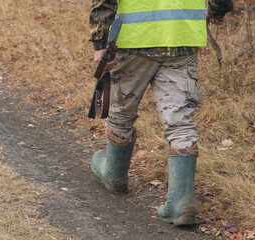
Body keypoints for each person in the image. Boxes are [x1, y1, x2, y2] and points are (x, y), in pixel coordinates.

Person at [88, 0, 233, 226]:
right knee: (180, 120)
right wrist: (216, 10)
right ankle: (182, 201)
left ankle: (114, 173)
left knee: (122, 110)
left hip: (134, 39)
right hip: (181, 36)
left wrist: (100, 40)